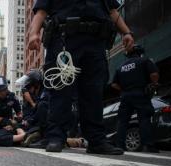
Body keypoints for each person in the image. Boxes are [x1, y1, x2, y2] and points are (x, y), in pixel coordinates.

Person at [28, 0, 134, 154]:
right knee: (60, 91)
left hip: (96, 42)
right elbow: (41, 11)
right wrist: (33, 33)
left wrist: (126, 32)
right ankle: (56, 137)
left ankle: (96, 141)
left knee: (94, 93)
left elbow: (112, 11)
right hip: (64, 39)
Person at [111, 45, 159, 153]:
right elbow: (154, 73)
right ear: (140, 53)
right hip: (140, 93)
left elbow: (114, 84)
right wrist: (153, 84)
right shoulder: (144, 60)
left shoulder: (120, 67)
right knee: (144, 119)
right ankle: (147, 146)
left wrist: (124, 89)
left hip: (125, 96)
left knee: (122, 121)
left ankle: (120, 146)